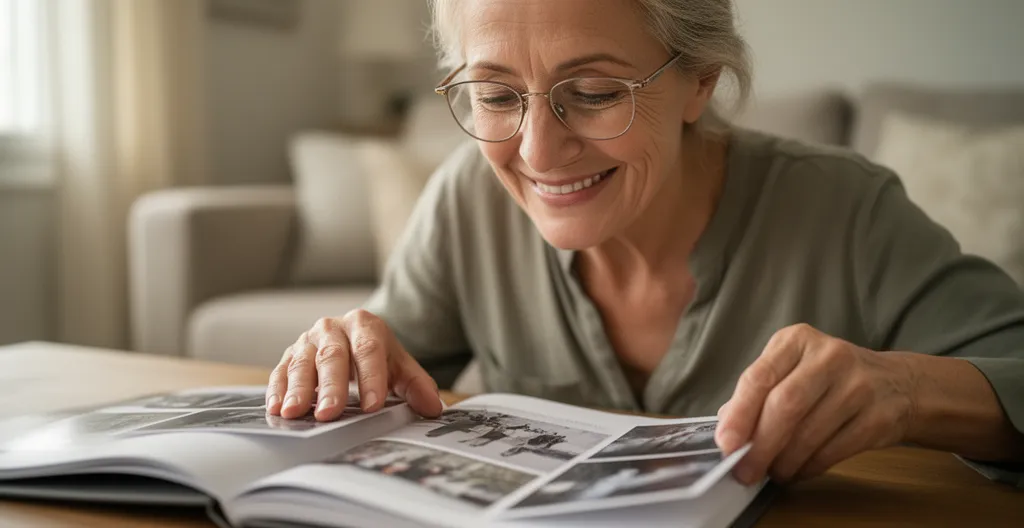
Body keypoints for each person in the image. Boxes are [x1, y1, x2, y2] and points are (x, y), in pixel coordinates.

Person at [265, 0, 1024, 485]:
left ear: (701, 81)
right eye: (495, 96)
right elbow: (386, 367)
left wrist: (905, 388)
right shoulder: (466, 200)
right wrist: (346, 351)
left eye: (594, 94)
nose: (535, 153)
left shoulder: (847, 210)